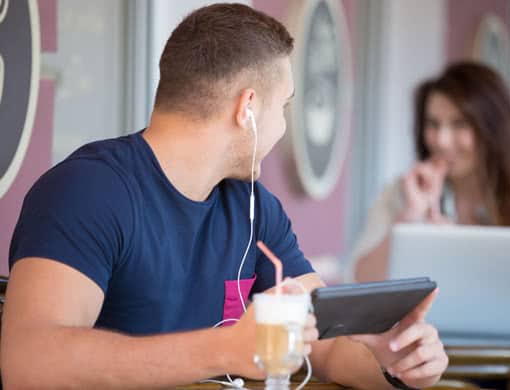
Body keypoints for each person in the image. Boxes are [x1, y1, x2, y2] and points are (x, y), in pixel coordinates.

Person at [1, 4, 448, 389]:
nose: (282, 127)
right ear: (248, 108)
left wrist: (394, 364)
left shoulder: (255, 208)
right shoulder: (87, 191)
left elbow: (325, 345)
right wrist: (223, 349)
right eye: (284, 107)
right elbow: (30, 364)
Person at [351, 61, 510, 332]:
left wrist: (460, 253)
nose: (442, 140)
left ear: (494, 129)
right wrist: (409, 219)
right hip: (417, 361)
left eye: (460, 124)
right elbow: (359, 284)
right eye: (433, 124)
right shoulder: (402, 195)